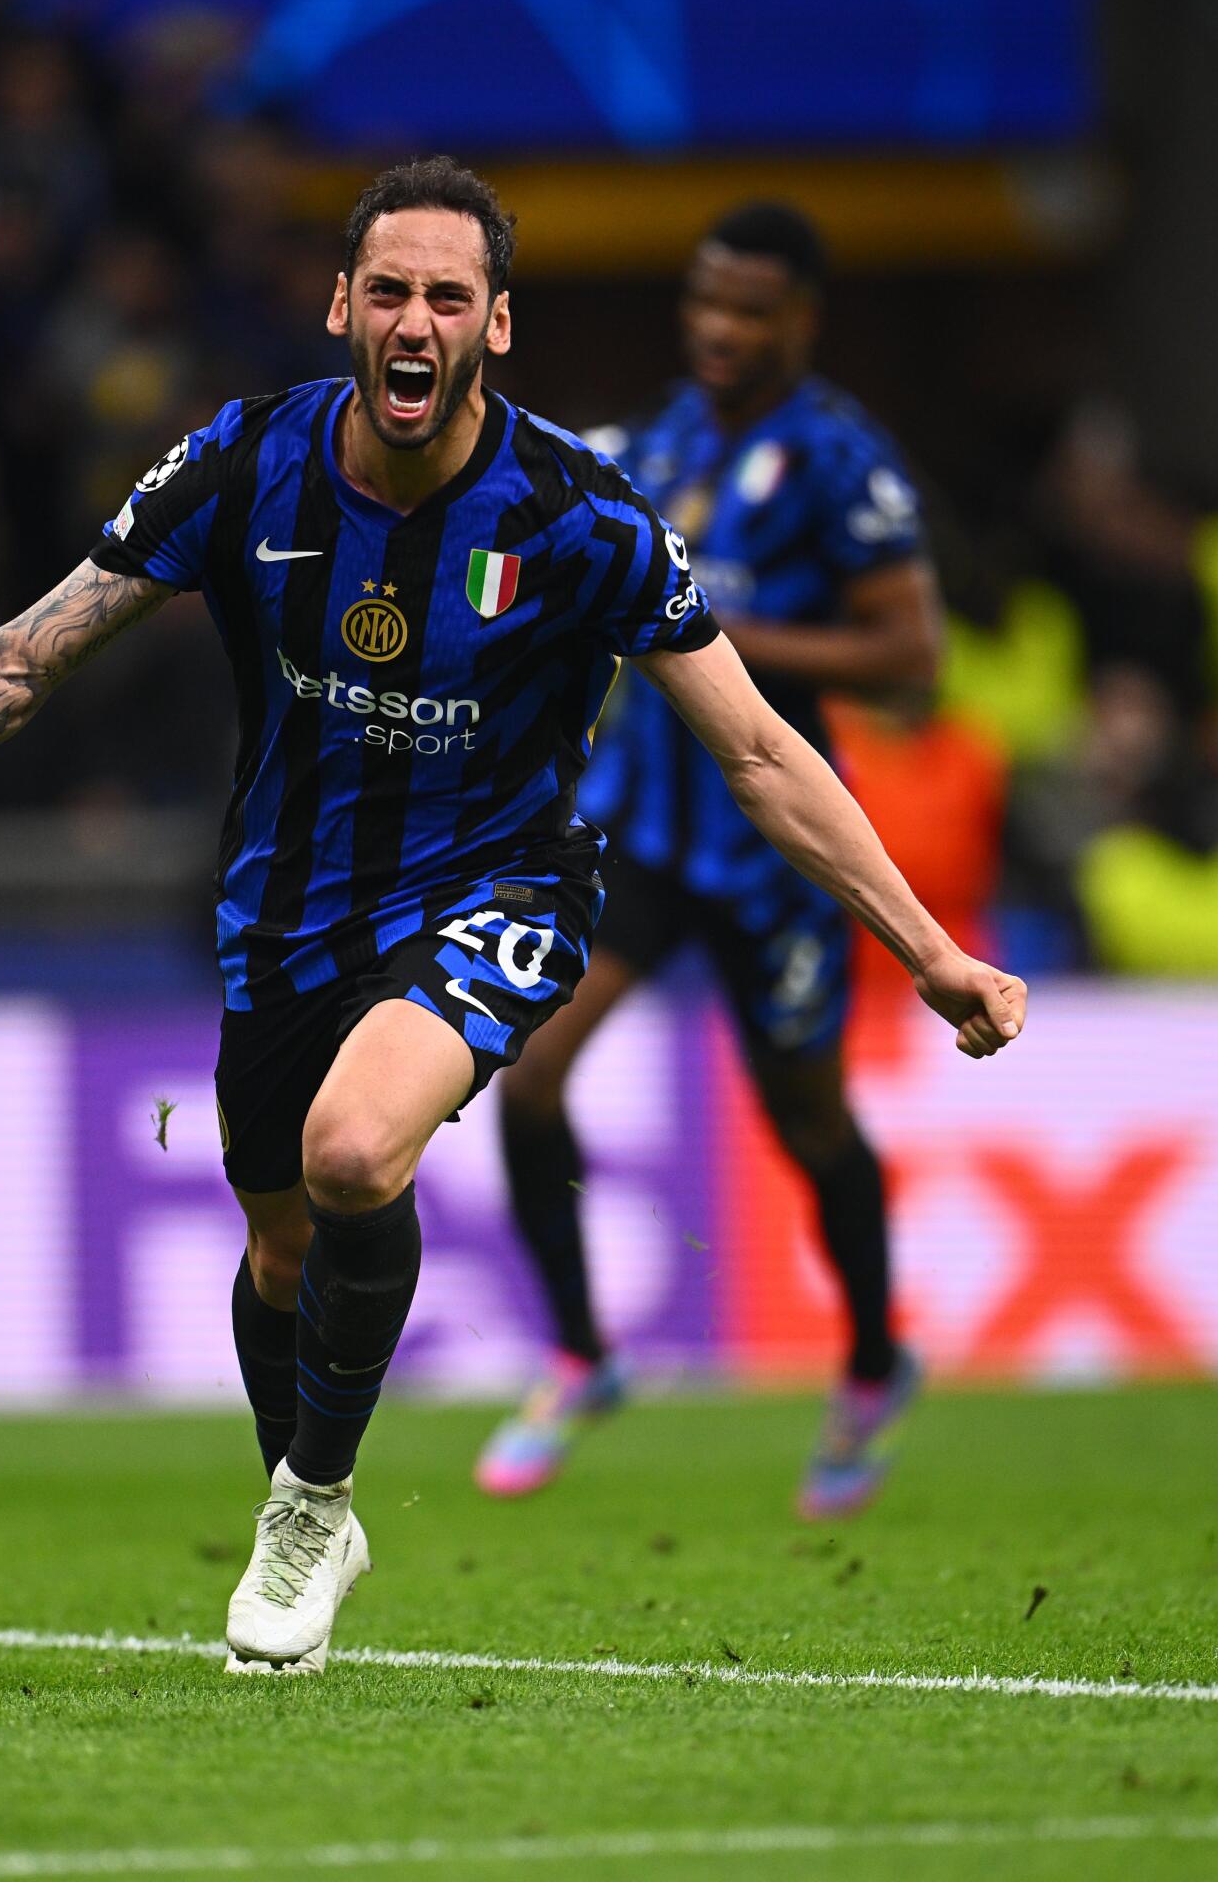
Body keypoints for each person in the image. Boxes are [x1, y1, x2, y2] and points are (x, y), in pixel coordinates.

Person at [0, 162, 1025, 1672]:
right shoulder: (244, 465)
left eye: (448, 296)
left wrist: (928, 950)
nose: (415, 320)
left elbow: (766, 750)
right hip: (285, 909)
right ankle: (307, 1488)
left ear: (497, 326)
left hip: (501, 887)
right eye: (388, 289)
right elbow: (24, 657)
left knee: (350, 1151)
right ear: (342, 306)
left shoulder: (579, 515)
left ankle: (313, 1503)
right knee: (278, 1251)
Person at [475, 202, 948, 1519]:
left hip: (777, 850)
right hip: (638, 831)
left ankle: (869, 1362)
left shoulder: (842, 464)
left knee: (807, 1121)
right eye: (705, 303)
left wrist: (714, 634)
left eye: (749, 310)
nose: (720, 330)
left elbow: (912, 664)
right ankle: (580, 1353)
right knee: (525, 1070)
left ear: (802, 318)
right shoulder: (658, 440)